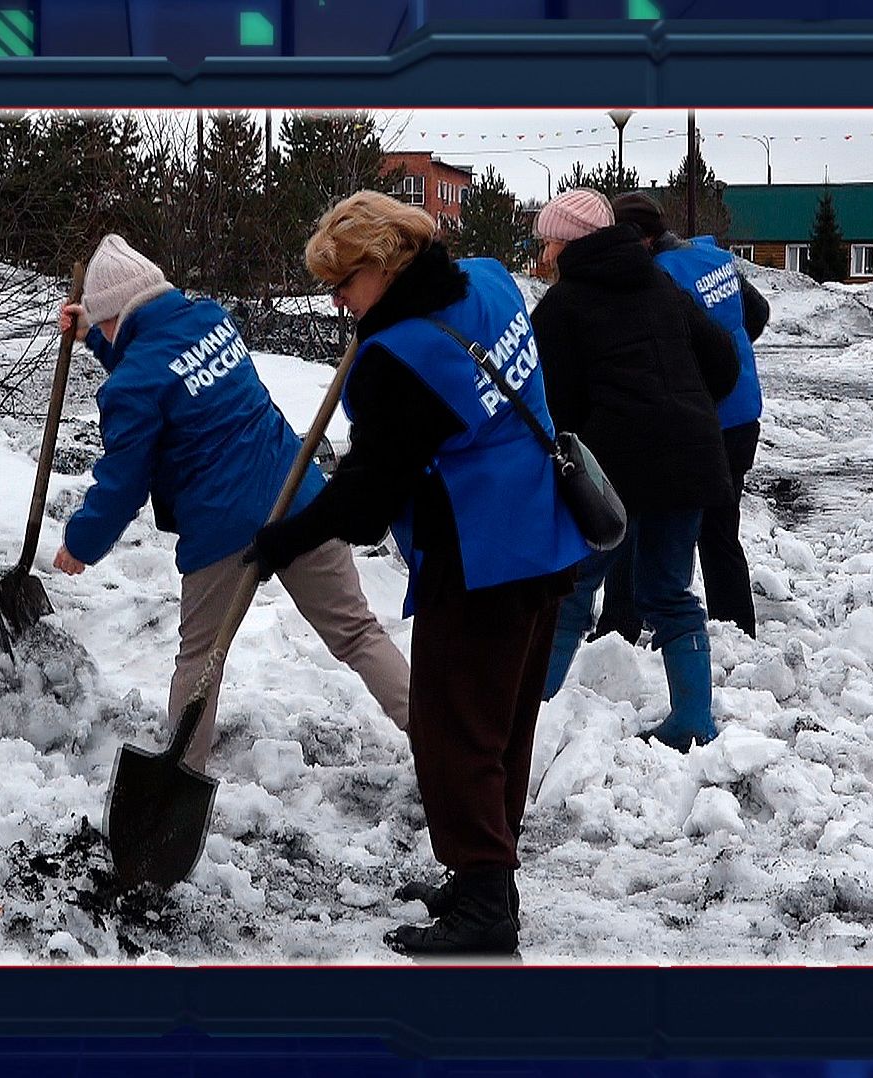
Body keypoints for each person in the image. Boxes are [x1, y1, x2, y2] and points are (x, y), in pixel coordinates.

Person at [249, 192, 587, 956]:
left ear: (383, 264)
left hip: (479, 556)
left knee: (452, 731)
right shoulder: (491, 281)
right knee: (499, 727)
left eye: (341, 281)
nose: (335, 300)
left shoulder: (397, 360)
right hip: (543, 531)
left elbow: (367, 502)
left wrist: (286, 538)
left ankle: (484, 911)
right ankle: (484, 880)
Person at [53, 233, 410, 771]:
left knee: (199, 659)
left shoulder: (130, 386)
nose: (105, 334)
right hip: (300, 499)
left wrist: (81, 543)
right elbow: (160, 362)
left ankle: (179, 779)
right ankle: (442, 739)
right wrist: (95, 336)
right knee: (358, 632)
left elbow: (124, 481)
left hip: (222, 527)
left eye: (106, 326)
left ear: (121, 317)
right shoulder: (211, 318)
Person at [526, 189, 740, 752]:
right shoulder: (661, 284)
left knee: (571, 592)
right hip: (688, 456)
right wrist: (683, 406)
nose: (543, 253)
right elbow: (723, 361)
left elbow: (548, 402)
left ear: (569, 242)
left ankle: (532, 716)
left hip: (611, 470)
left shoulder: (563, 305)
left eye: (548, 240)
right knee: (668, 591)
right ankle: (694, 719)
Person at [591, 192, 772, 642]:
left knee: (638, 514)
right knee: (719, 531)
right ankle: (736, 630)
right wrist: (732, 347)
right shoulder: (711, 257)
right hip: (743, 412)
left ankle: (624, 623)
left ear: (641, 239)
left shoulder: (658, 276)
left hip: (701, 420)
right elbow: (759, 311)